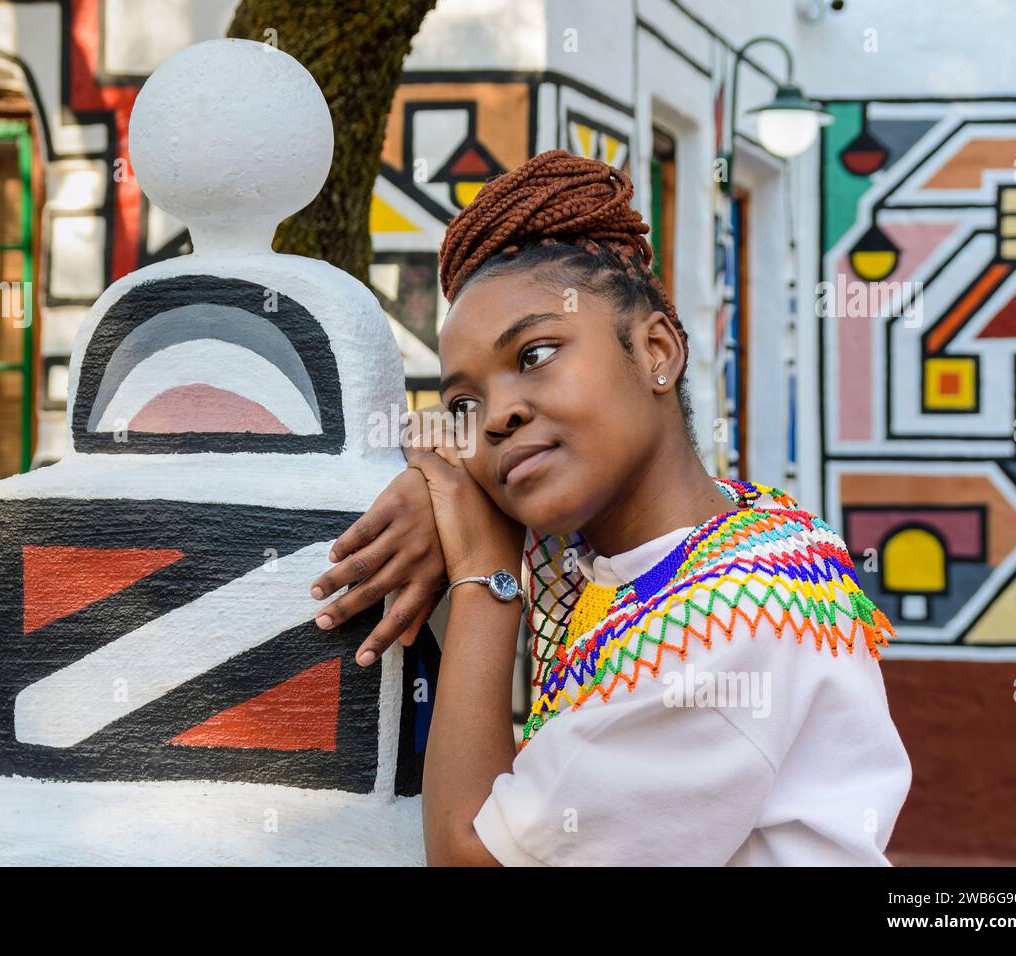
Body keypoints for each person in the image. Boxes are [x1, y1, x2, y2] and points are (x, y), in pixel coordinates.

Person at [307, 148, 912, 866]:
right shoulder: (733, 534)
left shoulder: (721, 632)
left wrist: (485, 582)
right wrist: (430, 480)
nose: (496, 417)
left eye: (534, 355)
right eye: (466, 401)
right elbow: (447, 451)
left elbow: (468, 856)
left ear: (656, 348)